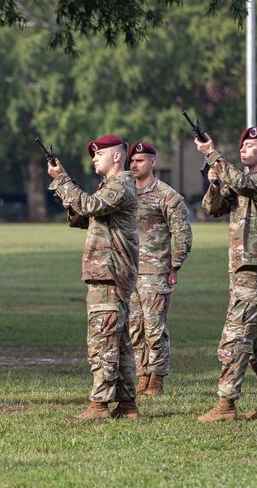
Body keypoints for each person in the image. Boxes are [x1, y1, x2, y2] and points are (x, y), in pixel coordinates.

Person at [195, 126, 257, 422]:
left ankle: (226, 404)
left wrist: (213, 154)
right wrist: (214, 185)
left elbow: (244, 184)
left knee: (235, 337)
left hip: (255, 266)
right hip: (241, 267)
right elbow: (213, 209)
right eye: (242, 145)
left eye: (251, 145)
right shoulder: (240, 181)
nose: (245, 148)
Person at [48, 134, 139, 420]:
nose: (94, 158)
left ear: (116, 156)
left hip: (109, 272)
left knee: (102, 341)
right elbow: (85, 216)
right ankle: (127, 405)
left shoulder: (121, 184)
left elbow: (89, 207)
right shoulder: (111, 187)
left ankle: (99, 405)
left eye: (99, 153)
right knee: (120, 342)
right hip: (109, 272)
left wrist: (62, 179)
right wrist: (70, 198)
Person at [127, 142, 193, 397]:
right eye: (132, 160)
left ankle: (157, 377)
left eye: (140, 160)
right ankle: (141, 375)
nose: (134, 165)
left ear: (153, 163)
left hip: (156, 271)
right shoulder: (125, 192)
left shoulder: (166, 195)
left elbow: (183, 233)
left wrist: (175, 265)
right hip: (130, 271)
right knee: (134, 327)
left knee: (155, 327)